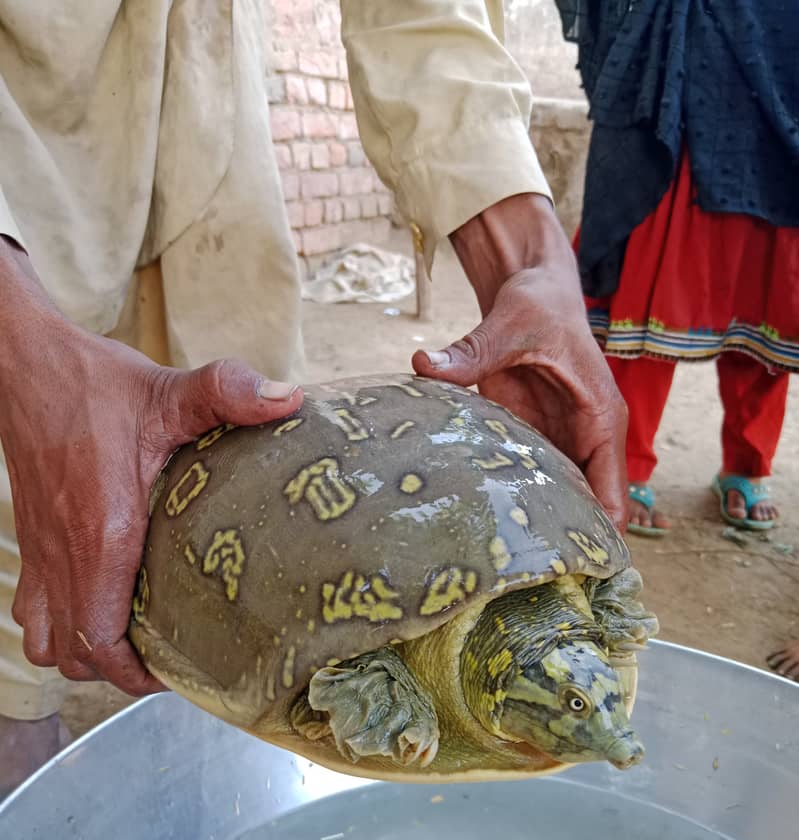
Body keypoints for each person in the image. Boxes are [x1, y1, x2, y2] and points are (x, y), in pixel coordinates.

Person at [0, 1, 628, 794]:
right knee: (34, 515)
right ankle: (18, 743)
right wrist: (18, 346)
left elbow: (419, 13)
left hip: (207, 82)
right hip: (18, 104)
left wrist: (530, 262)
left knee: (250, 435)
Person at [555, 0, 798, 536]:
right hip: (681, 65)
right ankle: (624, 462)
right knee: (646, 294)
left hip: (785, 59)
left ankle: (748, 462)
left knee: (762, 297)